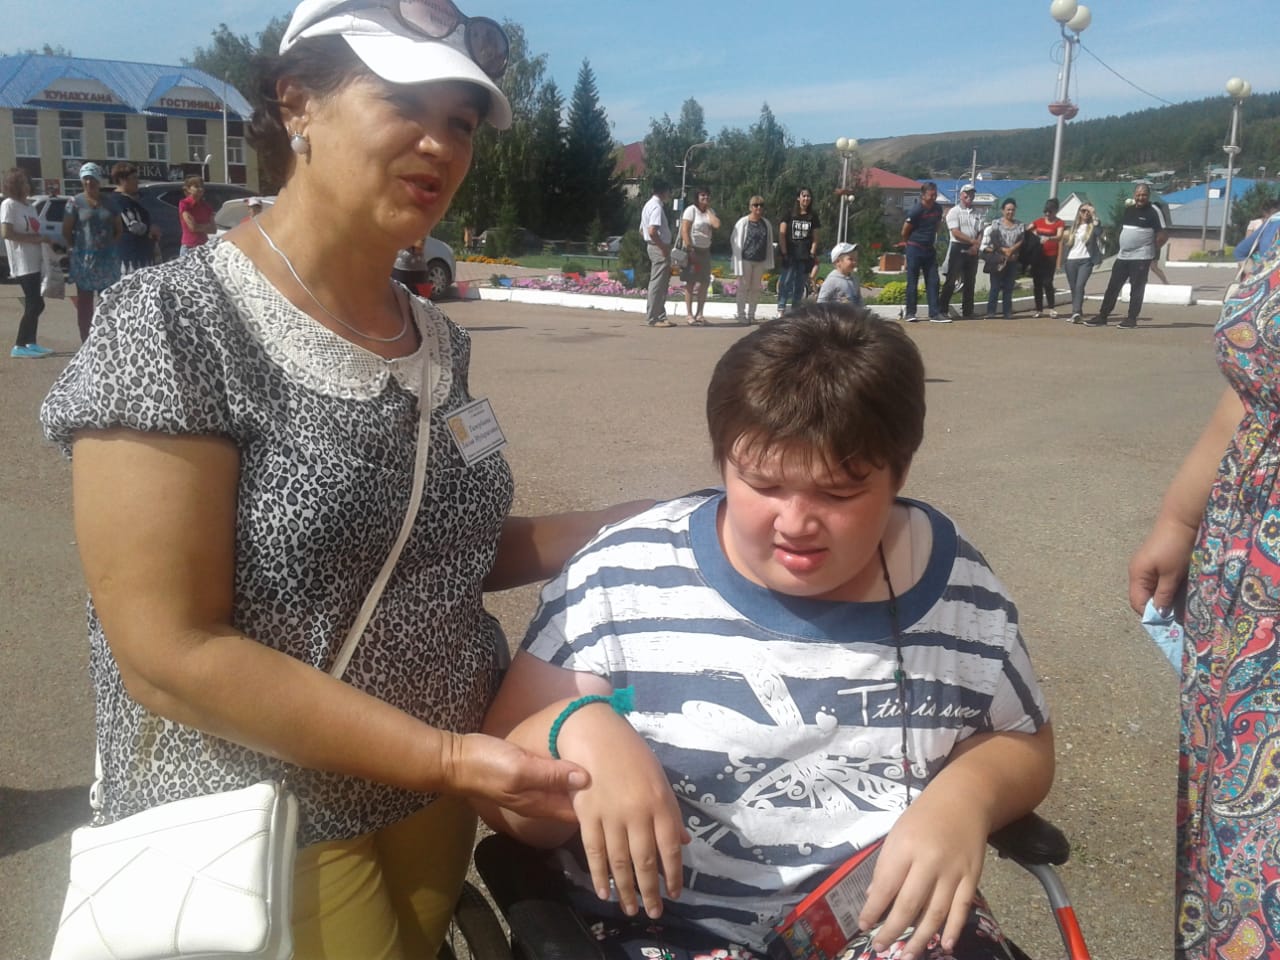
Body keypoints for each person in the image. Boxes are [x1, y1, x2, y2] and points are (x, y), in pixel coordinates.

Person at [39, 3, 649, 956]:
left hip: (437, 794)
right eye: (404, 102)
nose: (439, 143)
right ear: (298, 104)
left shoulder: (435, 339)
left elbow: (439, 550)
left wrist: (644, 523)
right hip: (262, 811)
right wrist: (447, 757)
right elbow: (168, 650)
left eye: (460, 121)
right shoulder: (177, 321)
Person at [480, 306, 1054, 960]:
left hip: (880, 922)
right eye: (764, 483)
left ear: (899, 474)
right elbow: (498, 794)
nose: (797, 523)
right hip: (658, 925)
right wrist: (576, 726)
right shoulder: (622, 577)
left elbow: (1023, 739)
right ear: (723, 460)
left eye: (839, 494)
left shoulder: (957, 592)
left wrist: (968, 797)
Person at [1127, 232, 1280, 960]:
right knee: (1244, 825)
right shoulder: (1274, 231)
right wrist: (1179, 521)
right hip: (1249, 585)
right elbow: (1250, 391)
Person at [1084, 183, 1167, 329]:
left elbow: (1163, 235)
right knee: (1113, 286)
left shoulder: (1154, 211)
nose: (1140, 198)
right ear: (1134, 195)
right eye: (1138, 195)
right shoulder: (1129, 210)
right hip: (1123, 256)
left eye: (1144, 195)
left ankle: (1131, 319)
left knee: (1137, 288)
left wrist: (1152, 250)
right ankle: (1103, 316)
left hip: (1141, 256)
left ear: (1148, 196)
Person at [61, 161, 121, 343]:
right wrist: (74, 248)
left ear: (98, 180)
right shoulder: (75, 202)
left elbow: (118, 230)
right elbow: (66, 230)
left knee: (108, 302)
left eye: (92, 178)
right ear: (81, 180)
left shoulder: (110, 202)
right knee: (85, 305)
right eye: (85, 179)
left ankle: (107, 340)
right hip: (84, 261)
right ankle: (86, 342)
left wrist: (109, 248)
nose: (89, 182)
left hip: (107, 261)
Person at [1, 168, 54, 358]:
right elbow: (6, 233)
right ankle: (19, 345)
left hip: (36, 260)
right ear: (13, 185)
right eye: (22, 182)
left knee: (37, 303)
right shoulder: (9, 205)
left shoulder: (30, 206)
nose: (26, 185)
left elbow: (34, 230)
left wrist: (44, 240)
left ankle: (31, 342)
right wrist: (35, 239)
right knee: (34, 303)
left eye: (27, 181)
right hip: (22, 261)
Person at [900, 181, 945, 322]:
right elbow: (904, 231)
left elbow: (937, 225)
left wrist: (932, 238)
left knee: (933, 281)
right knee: (912, 281)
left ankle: (935, 313)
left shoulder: (938, 209)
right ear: (923, 195)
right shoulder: (916, 210)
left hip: (929, 249)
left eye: (935, 194)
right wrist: (909, 244)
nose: (933, 197)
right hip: (915, 248)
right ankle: (910, 313)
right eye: (931, 195)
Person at [939, 183, 983, 320]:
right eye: (967, 193)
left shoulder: (978, 213)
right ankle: (942, 310)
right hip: (957, 247)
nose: (970, 196)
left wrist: (976, 246)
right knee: (951, 280)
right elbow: (955, 232)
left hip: (973, 249)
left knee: (970, 281)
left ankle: (968, 311)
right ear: (961, 195)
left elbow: (980, 231)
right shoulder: (954, 212)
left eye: (972, 193)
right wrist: (972, 241)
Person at [729, 195, 773, 324]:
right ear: (750, 207)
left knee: (755, 288)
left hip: (760, 260)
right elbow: (734, 239)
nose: (758, 208)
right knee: (743, 287)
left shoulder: (766, 224)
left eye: (761, 205)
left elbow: (768, 242)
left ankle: (751, 314)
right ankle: (741, 315)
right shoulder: (743, 222)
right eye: (755, 205)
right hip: (745, 260)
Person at [110, 162, 160, 275]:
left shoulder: (129, 200)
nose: (137, 181)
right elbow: (133, 226)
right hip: (130, 259)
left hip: (139, 256)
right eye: (134, 178)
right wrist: (150, 229)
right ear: (122, 180)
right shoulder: (120, 201)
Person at [679, 187, 720, 325]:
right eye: (702, 195)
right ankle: (689, 314)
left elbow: (716, 225)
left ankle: (700, 314)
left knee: (704, 282)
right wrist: (689, 249)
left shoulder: (710, 212)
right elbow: (684, 230)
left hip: (705, 250)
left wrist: (708, 210)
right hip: (693, 250)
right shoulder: (691, 210)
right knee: (690, 282)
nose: (705, 198)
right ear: (697, 197)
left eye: (707, 195)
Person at [777, 187, 819, 315]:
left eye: (808, 196)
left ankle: (795, 311)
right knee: (785, 282)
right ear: (798, 198)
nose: (806, 198)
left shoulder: (813, 216)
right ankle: (781, 309)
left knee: (800, 285)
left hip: (804, 255)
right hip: (790, 254)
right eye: (803, 195)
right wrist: (784, 253)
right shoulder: (789, 214)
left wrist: (812, 253)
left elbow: (816, 238)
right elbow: (782, 234)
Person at [1061, 203, 1104, 323]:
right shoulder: (1073, 228)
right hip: (1071, 260)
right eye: (1083, 210)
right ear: (1079, 212)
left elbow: (1099, 232)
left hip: (1086, 260)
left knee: (1080, 285)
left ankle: (1075, 312)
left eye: (1088, 211)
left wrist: (1094, 215)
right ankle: (1077, 313)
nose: (1085, 213)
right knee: (1074, 287)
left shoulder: (1093, 226)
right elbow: (1065, 244)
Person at [641, 177, 674, 327]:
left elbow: (642, 230)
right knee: (657, 283)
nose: (669, 194)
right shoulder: (656, 207)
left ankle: (660, 315)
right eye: (668, 191)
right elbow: (652, 231)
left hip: (653, 246)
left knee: (662, 283)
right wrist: (662, 247)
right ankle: (653, 318)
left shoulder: (648, 205)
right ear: (664, 191)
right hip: (658, 247)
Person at [983, 200, 1023, 320]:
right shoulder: (996, 223)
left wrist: (1012, 250)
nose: (1010, 212)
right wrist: (1003, 250)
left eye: (1012, 209)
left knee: (1008, 287)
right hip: (998, 259)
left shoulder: (1020, 225)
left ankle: (1007, 312)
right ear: (1003, 210)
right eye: (1008, 209)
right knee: (995, 287)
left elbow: (1021, 240)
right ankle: (991, 312)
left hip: (1012, 260)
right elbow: (994, 238)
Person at [1029, 198, 1064, 318]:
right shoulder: (1038, 221)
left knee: (1047, 282)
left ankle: (1051, 308)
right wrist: (1033, 235)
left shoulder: (1059, 223)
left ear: (1055, 211)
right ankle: (1038, 309)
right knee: (1037, 282)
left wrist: (1049, 238)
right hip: (1037, 255)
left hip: (1050, 256)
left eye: (1050, 211)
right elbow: (1027, 229)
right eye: (1046, 211)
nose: (1048, 214)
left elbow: (1059, 236)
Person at [177, 175, 216, 254]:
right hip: (189, 246)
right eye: (196, 186)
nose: (200, 189)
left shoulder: (206, 207)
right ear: (188, 189)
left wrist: (199, 226)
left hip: (203, 246)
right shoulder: (184, 204)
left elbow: (214, 229)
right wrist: (207, 226)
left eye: (202, 186)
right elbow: (193, 227)